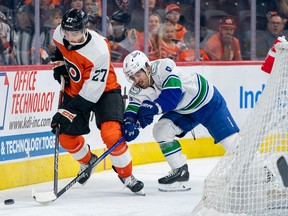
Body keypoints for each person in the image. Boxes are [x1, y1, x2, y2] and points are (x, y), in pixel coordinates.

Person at [50, 8, 144, 195]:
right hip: (76, 90)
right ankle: (87, 161)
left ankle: (126, 175)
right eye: (67, 32)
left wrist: (67, 112)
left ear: (85, 29)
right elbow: (60, 50)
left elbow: (91, 94)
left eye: (75, 33)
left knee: (112, 135)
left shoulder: (99, 50)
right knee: (63, 134)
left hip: (104, 91)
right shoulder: (60, 34)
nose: (69, 37)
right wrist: (60, 65)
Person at [121, 50, 239, 192]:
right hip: (184, 111)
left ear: (147, 67)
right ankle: (180, 173)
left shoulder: (163, 66)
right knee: (161, 130)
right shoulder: (137, 89)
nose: (136, 81)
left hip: (207, 103)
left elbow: (174, 94)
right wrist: (129, 123)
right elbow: (132, 109)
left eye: (138, 74)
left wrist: (154, 108)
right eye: (132, 78)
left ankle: (262, 168)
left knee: (231, 142)